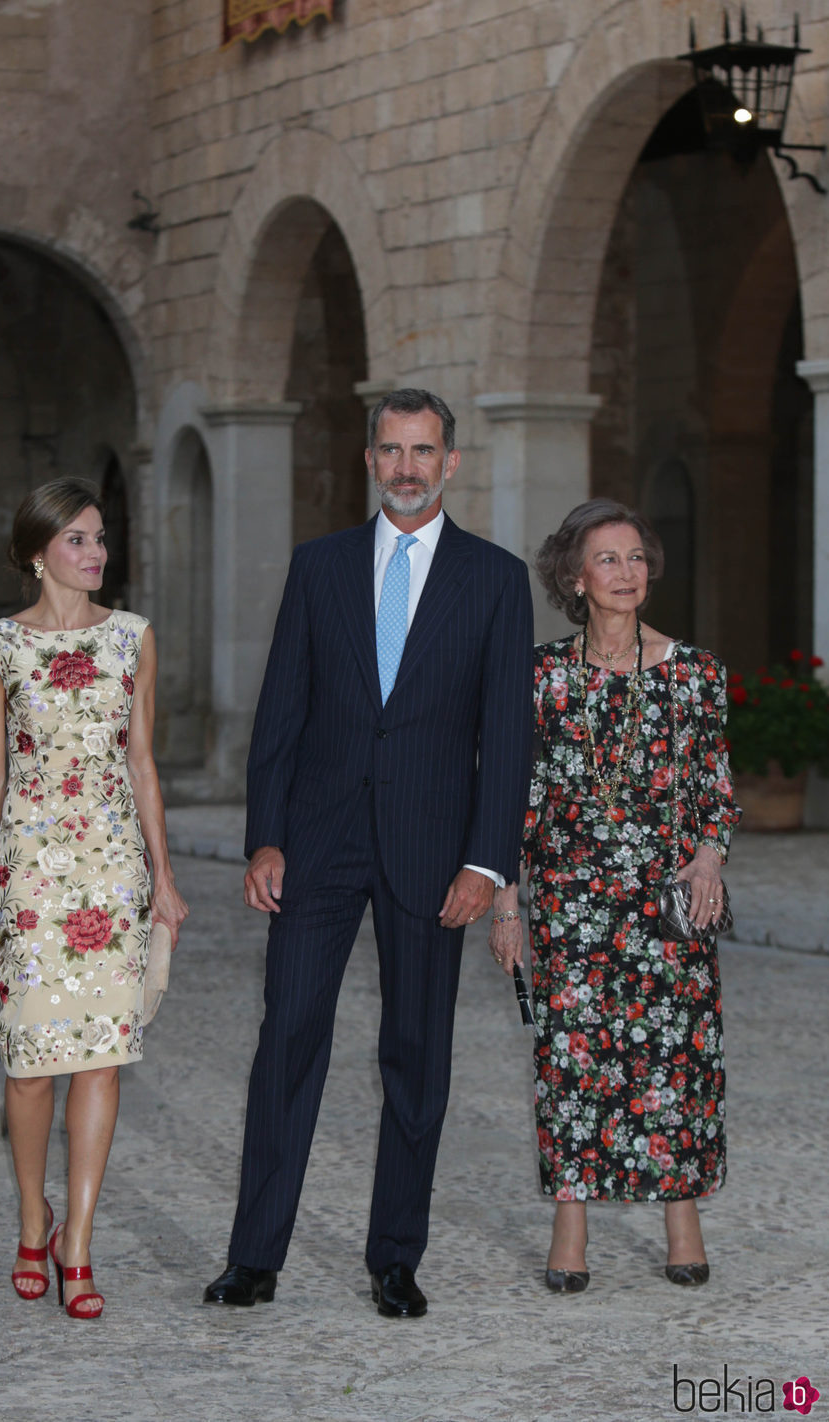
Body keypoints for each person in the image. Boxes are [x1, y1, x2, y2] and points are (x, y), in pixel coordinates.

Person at [204, 388, 534, 1316]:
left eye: (422, 451)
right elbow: (282, 712)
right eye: (390, 450)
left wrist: (487, 861)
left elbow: (507, 736)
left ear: (450, 463)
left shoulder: (495, 579)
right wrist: (264, 837)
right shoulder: (320, 567)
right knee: (289, 1037)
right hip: (316, 845)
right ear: (368, 459)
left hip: (436, 856)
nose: (405, 468)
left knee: (417, 1051)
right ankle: (254, 1256)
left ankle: (396, 1257)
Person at [489, 498, 741, 1293]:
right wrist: (507, 907)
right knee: (572, 1061)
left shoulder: (695, 673)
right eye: (608, 559)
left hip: (669, 905)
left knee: (678, 1059)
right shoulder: (539, 676)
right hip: (571, 905)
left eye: (636, 557)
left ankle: (682, 1218)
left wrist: (708, 860)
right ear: (574, 576)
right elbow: (516, 802)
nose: (627, 573)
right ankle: (571, 1224)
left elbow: (715, 790)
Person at [0, 477, 188, 1319]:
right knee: (29, 1067)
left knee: (102, 1053)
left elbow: (142, 764)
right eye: (78, 541)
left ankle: (80, 1243)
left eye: (99, 538)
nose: (96, 554)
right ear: (36, 553)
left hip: (112, 869)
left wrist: (163, 877)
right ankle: (34, 1218)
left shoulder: (132, 638)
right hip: (31, 874)